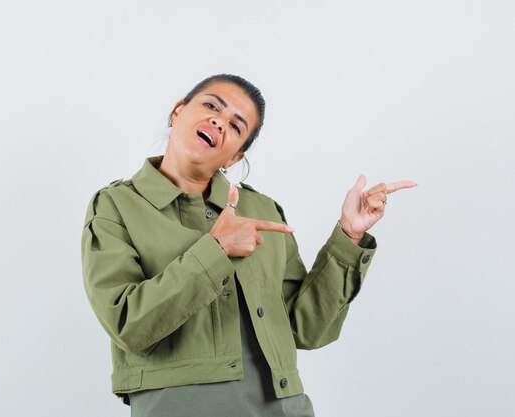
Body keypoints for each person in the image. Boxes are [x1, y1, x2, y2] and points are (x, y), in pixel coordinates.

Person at [81, 74, 416, 417]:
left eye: (236, 126)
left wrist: (349, 236)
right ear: (177, 112)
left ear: (234, 156)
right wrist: (216, 249)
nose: (218, 121)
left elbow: (307, 329)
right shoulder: (115, 206)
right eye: (211, 105)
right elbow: (127, 324)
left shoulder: (261, 210)